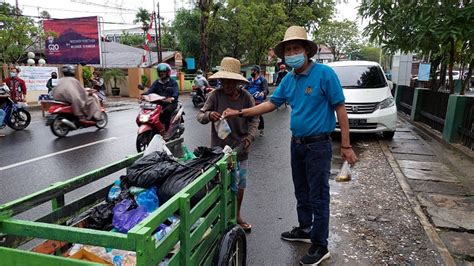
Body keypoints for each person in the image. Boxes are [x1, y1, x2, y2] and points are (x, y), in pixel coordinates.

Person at [223, 26, 358, 265]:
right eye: (288, 50)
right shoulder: (289, 79)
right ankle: (306, 229)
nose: (292, 53)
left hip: (318, 145)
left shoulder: (324, 74)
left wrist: (346, 145)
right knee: (301, 191)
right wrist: (240, 112)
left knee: (319, 196)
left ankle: (320, 245)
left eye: (296, 48)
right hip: (297, 144)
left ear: (306, 51)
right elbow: (270, 105)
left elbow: (340, 108)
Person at [197, 57, 259, 231]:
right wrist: (210, 115)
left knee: (239, 184)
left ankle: (237, 215)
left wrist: (250, 137)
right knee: (219, 184)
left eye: (231, 82)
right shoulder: (214, 95)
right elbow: (200, 116)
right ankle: (219, 216)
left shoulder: (246, 98)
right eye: (224, 82)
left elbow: (255, 119)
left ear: (237, 82)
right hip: (219, 151)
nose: (227, 86)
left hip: (241, 149)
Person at [142, 63, 179, 133]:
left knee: (166, 111)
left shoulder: (173, 82)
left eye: (164, 72)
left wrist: (172, 98)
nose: (162, 73)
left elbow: (176, 92)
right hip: (159, 102)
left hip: (170, 103)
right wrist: (143, 95)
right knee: (150, 111)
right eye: (160, 72)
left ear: (168, 72)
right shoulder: (156, 82)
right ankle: (155, 126)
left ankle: (166, 130)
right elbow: (150, 90)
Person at [245, 65, 268, 136]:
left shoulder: (262, 79)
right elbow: (245, 87)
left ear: (257, 71)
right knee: (247, 113)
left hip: (258, 99)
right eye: (251, 70)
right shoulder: (249, 79)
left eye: (253, 70)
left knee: (258, 114)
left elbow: (266, 89)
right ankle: (248, 129)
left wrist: (262, 93)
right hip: (249, 99)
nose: (251, 72)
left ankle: (261, 129)